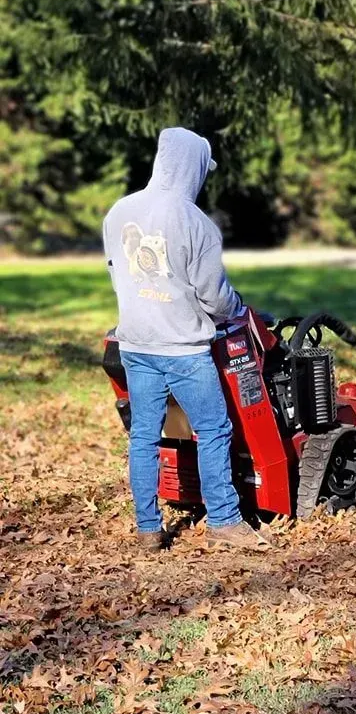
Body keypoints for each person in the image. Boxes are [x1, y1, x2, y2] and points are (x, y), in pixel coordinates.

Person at [103, 126, 268, 553]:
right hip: (184, 350)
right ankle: (225, 522)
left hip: (136, 344)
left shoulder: (119, 212)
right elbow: (214, 296)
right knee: (213, 429)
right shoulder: (197, 223)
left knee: (144, 435)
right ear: (193, 166)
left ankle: (147, 528)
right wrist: (239, 310)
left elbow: (116, 272)